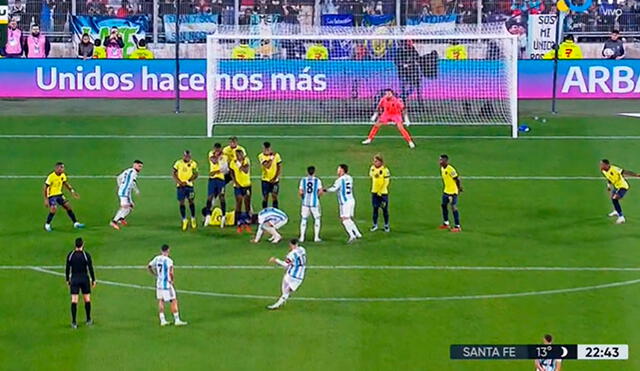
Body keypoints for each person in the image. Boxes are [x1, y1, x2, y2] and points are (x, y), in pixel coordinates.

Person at [147, 244, 188, 327]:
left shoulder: (157, 258)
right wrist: (172, 280)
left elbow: (149, 266)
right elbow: (171, 272)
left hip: (159, 284)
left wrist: (155, 274)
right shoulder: (169, 260)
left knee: (161, 300)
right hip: (166, 284)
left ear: (161, 250)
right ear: (168, 250)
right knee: (173, 300)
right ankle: (177, 320)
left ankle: (162, 320)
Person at [324, 164, 362, 243]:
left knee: (344, 219)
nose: (337, 171)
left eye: (338, 169)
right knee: (348, 218)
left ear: (342, 170)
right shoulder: (350, 178)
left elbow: (334, 189)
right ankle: (358, 233)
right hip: (351, 200)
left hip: (345, 202)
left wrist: (325, 190)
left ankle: (352, 236)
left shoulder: (340, 180)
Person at [43, 162, 85, 232]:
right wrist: (46, 199)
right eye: (61, 167)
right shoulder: (51, 177)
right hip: (52, 195)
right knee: (53, 209)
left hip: (59, 194)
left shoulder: (63, 175)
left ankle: (75, 223)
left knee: (68, 207)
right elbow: (45, 187)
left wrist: (72, 191)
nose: (62, 169)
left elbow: (66, 184)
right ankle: (47, 225)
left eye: (63, 167)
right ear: (56, 168)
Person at [267, 238, 306, 310]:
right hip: (300, 275)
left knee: (285, 290)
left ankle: (279, 303)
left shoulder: (291, 254)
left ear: (291, 244)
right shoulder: (302, 249)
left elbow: (285, 264)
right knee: (287, 291)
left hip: (291, 274)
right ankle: (280, 302)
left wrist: (275, 260)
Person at [65, 237, 96, 329]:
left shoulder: (71, 255)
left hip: (74, 279)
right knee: (87, 299)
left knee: (74, 300)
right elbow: (90, 268)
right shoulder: (86, 255)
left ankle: (74, 322)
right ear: (83, 244)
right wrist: (93, 279)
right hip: (84, 279)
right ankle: (88, 319)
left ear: (75, 245)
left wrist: (67, 279)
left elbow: (67, 268)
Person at [600, 159, 639, 224]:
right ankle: (616, 211)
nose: (600, 165)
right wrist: (609, 186)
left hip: (623, 186)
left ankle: (621, 217)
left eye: (602, 164)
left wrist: (636, 175)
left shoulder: (614, 169)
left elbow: (625, 172)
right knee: (613, 198)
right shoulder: (603, 171)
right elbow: (609, 178)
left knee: (615, 198)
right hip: (616, 186)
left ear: (607, 165)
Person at [111, 160, 143, 230]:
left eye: (141, 167)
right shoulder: (134, 172)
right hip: (124, 192)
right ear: (134, 165)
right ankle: (114, 222)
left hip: (126, 192)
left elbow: (118, 177)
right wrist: (136, 190)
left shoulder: (127, 170)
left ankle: (121, 218)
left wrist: (120, 186)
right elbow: (133, 182)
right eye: (139, 166)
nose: (140, 168)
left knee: (131, 206)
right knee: (125, 207)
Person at [203, 143, 228, 227]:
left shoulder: (225, 157)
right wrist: (218, 157)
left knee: (221, 197)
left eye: (218, 149)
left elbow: (224, 170)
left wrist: (215, 172)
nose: (217, 151)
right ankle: (208, 216)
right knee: (210, 196)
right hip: (212, 180)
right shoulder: (211, 153)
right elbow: (213, 160)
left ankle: (223, 217)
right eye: (216, 149)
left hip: (221, 179)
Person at [172, 151, 198, 231]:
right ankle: (184, 220)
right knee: (181, 202)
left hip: (189, 187)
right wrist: (179, 182)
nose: (186, 157)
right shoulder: (178, 163)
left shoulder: (193, 163)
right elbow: (173, 173)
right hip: (180, 187)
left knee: (191, 201)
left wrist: (187, 181)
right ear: (183, 156)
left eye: (188, 156)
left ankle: (193, 218)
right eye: (185, 156)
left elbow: (196, 174)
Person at [229, 149, 252, 233]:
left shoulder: (246, 160)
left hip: (247, 185)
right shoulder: (233, 162)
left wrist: (239, 164)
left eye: (240, 154)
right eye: (237, 154)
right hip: (238, 186)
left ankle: (247, 223)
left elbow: (245, 170)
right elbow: (231, 172)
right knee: (238, 201)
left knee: (247, 203)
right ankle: (239, 223)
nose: (239, 156)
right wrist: (235, 182)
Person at [298, 166, 323, 243]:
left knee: (304, 219)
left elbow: (301, 192)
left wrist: (303, 198)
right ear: (314, 172)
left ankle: (302, 237)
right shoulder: (317, 180)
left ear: (307, 172)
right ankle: (316, 237)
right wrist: (317, 197)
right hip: (314, 203)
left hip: (305, 203)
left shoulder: (303, 180)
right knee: (317, 219)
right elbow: (320, 191)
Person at [439, 154, 462, 232]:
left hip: (452, 192)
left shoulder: (450, 169)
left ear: (446, 161)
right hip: (446, 191)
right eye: (439, 160)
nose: (440, 162)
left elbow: (457, 179)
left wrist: (459, 189)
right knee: (443, 205)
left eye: (441, 160)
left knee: (453, 207)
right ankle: (446, 223)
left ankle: (457, 226)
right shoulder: (442, 168)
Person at [369, 154, 390, 232]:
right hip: (374, 192)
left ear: (380, 162)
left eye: (376, 161)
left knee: (384, 209)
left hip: (383, 193)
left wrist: (380, 191)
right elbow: (371, 175)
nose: (374, 163)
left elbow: (386, 182)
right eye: (374, 161)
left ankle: (386, 225)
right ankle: (375, 225)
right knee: (375, 209)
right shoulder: (372, 168)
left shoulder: (385, 170)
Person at [258, 142, 282, 209]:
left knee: (274, 196)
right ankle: (264, 211)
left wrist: (275, 178)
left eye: (268, 149)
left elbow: (279, 167)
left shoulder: (277, 155)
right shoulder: (261, 156)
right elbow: (267, 166)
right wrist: (271, 157)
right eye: (265, 149)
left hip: (275, 181)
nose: (266, 150)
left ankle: (275, 211)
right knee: (265, 197)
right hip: (265, 180)